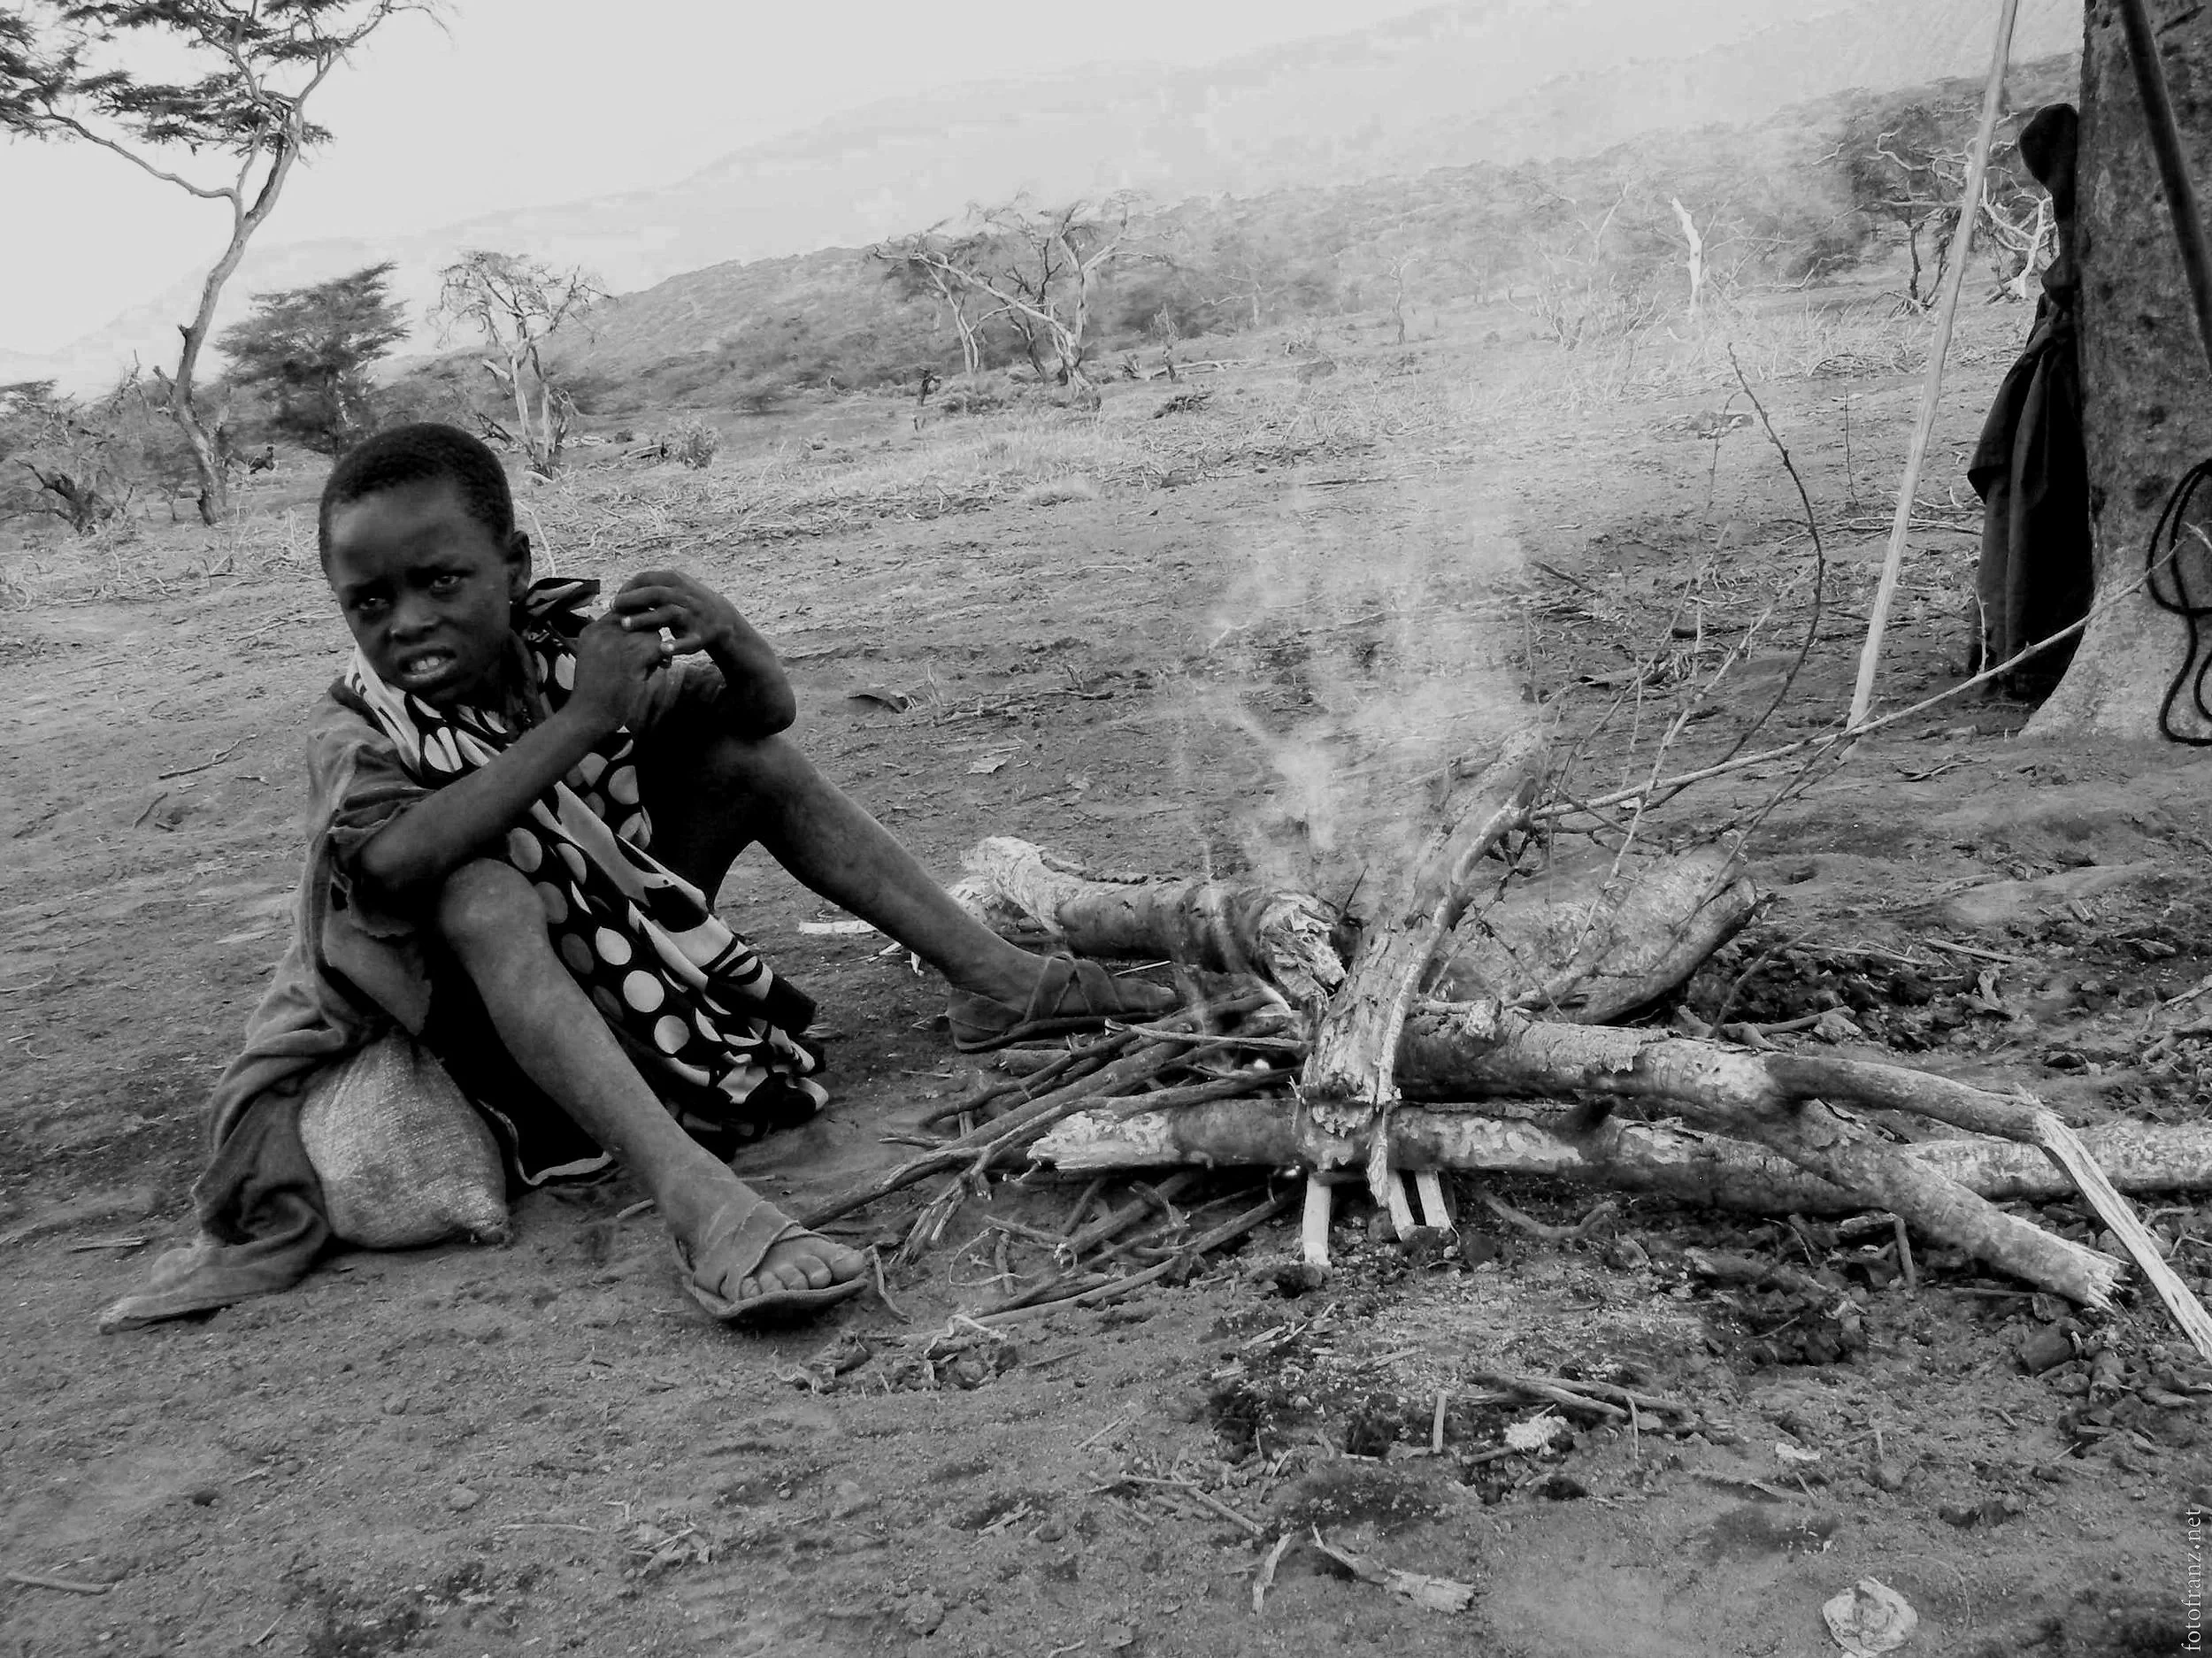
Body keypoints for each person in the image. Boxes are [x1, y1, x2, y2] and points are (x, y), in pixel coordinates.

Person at [104, 423, 1170, 1331]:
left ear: (513, 565)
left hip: (620, 973)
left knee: (747, 765)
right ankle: (699, 1201)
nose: (408, 621)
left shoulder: (563, 650)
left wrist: (733, 638)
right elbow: (393, 863)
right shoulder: (362, 728)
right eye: (369, 601)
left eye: (440, 581)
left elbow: (758, 721)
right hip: (476, 1038)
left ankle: (999, 981)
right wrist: (583, 721)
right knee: (481, 887)